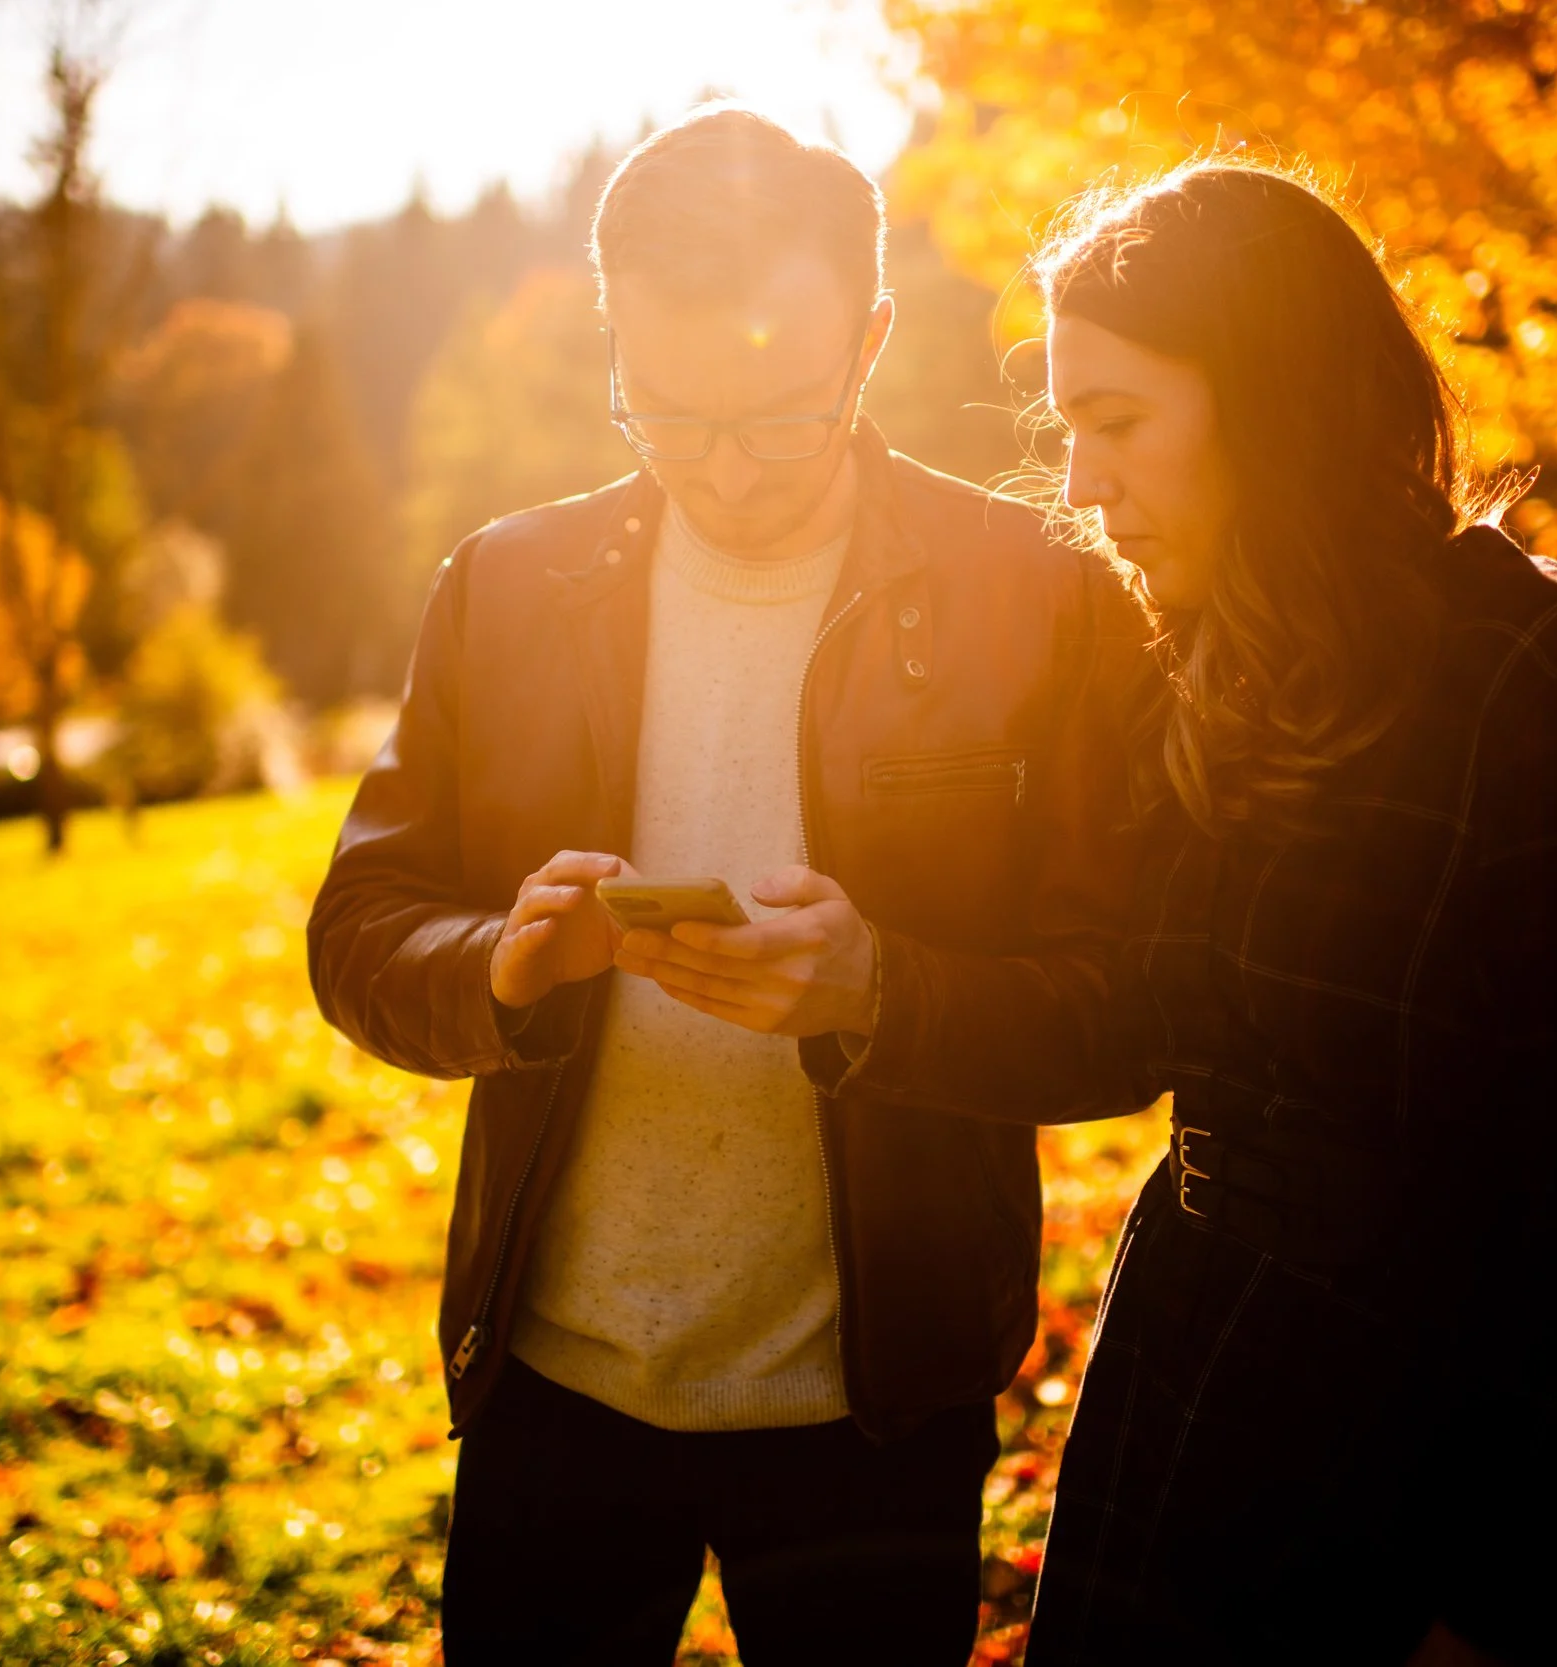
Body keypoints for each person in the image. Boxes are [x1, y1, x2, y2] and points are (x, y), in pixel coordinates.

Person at [805, 159, 1557, 1664]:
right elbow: (1151, 1006)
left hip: (1420, 1442)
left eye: (1118, 422)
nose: (1081, 483)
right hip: (1194, 1376)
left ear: (1276, 399)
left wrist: (1491, 1597)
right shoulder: (1213, 662)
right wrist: (868, 985)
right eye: (1066, 425)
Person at [305, 105, 1151, 1665]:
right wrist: (502, 965)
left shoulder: (1034, 596)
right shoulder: (503, 586)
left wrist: (882, 993)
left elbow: (1133, 1000)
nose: (727, 470)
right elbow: (359, 926)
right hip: (552, 1390)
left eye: (777, 413)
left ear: (873, 339)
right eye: (669, 410)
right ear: (613, 339)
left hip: (877, 1403)